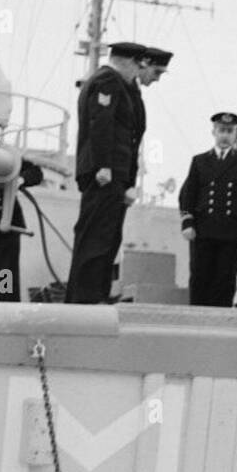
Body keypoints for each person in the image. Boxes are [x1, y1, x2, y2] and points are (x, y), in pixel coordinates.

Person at [65, 40, 152, 304]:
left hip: (114, 175)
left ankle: (95, 294)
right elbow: (100, 123)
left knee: (107, 235)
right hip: (105, 174)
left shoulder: (117, 84)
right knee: (96, 236)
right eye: (138, 65)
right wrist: (103, 165)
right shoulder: (108, 81)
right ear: (127, 62)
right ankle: (85, 297)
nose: (137, 72)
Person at [180, 112, 237, 307]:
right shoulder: (199, 161)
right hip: (203, 230)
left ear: (236, 134)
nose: (225, 135)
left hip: (231, 233)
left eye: (230, 131)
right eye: (221, 130)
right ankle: (197, 319)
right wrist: (187, 222)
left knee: (224, 279)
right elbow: (188, 194)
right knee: (200, 276)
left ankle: (219, 318)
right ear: (214, 132)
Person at [0, 144, 44, 302]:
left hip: (6, 229)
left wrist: (20, 179)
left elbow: (36, 173)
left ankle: (8, 310)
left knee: (5, 274)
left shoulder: (2, 156)